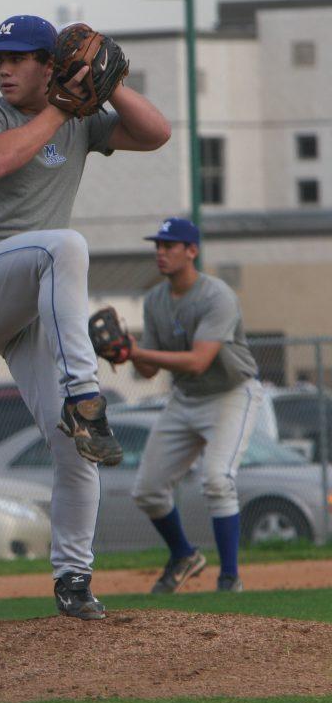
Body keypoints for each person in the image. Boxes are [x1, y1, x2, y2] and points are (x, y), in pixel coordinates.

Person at [0, 14, 171, 619]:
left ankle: (74, 579)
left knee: (75, 450)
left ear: (53, 65)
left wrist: (110, 81)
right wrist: (64, 109)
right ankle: (85, 392)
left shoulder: (80, 118)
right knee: (63, 244)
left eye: (18, 58)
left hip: (31, 312)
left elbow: (156, 134)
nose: (4, 68)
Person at [128, 218, 262, 594]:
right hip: (186, 397)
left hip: (230, 395)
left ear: (192, 250)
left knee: (217, 480)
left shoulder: (217, 296)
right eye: (158, 245)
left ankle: (230, 579)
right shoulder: (155, 299)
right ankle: (183, 555)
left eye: (169, 245)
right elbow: (149, 369)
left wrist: (138, 350)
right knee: (148, 489)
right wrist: (123, 352)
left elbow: (200, 360)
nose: (160, 252)